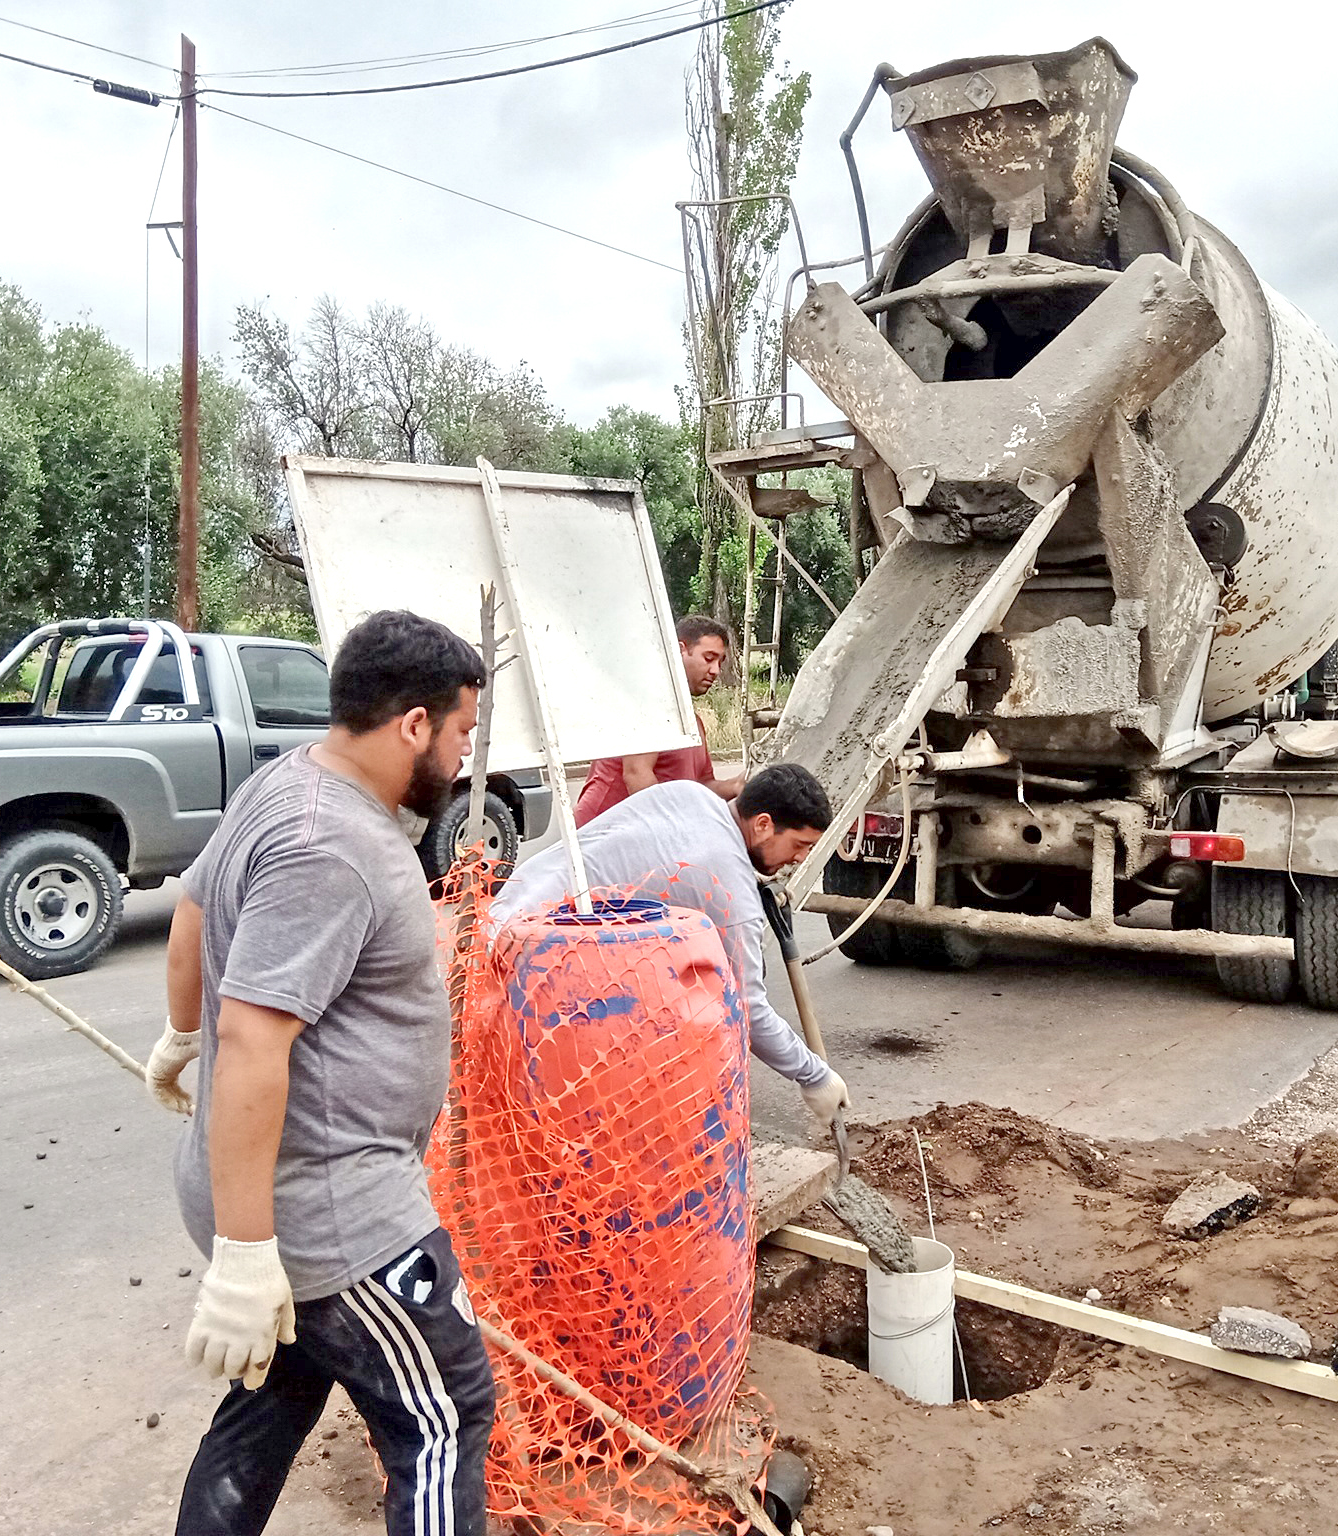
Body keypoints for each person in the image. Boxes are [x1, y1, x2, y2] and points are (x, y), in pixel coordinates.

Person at [144, 608, 496, 1536]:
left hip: (287, 1204)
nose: (464, 756)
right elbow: (258, 1040)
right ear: (412, 724)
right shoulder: (330, 844)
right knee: (444, 1414)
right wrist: (249, 1256)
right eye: (461, 731)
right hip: (334, 1215)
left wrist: (183, 1033)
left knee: (281, 1389)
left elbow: (192, 913)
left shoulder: (289, 782)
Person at [489, 764, 849, 1124]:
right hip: (534, 952)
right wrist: (814, 1076)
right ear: (764, 825)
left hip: (508, 907)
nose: (800, 858)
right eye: (800, 845)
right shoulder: (730, 888)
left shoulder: (689, 794)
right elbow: (748, 1008)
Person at [574, 615, 743, 825]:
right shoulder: (648, 705)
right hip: (602, 832)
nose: (716, 670)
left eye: (720, 661)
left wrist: (737, 785)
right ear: (680, 650)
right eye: (709, 658)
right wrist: (672, 831)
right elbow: (636, 774)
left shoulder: (693, 723)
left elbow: (701, 785)